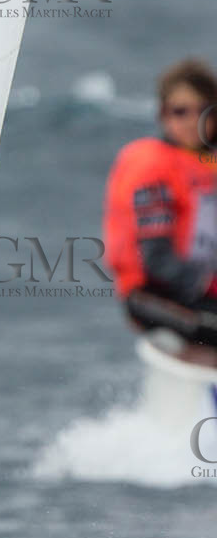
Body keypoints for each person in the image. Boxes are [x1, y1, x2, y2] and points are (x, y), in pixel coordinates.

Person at [103, 58, 217, 343]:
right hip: (155, 294)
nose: (193, 121)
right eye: (181, 111)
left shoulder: (208, 164)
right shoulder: (152, 167)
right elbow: (157, 260)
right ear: (163, 115)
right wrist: (209, 283)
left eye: (203, 111)